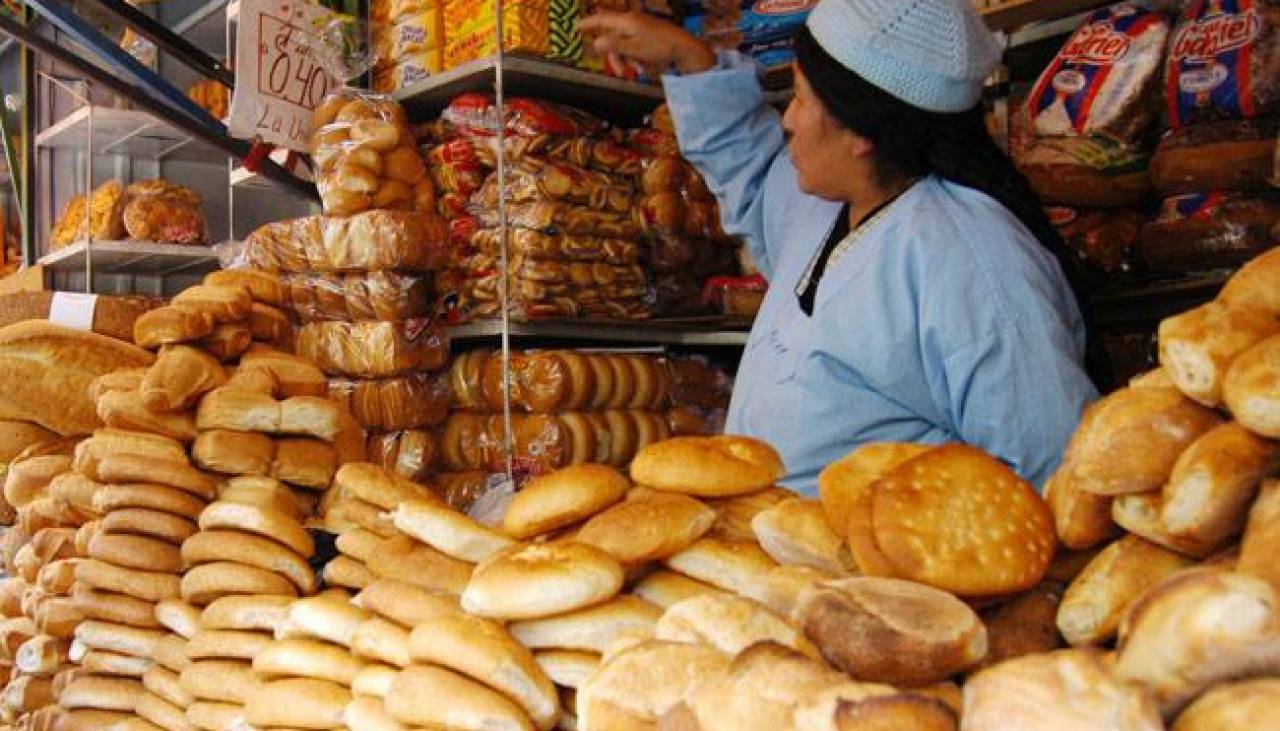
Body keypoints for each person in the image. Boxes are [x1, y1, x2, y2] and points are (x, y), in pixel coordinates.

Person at [580, 0, 1098, 496]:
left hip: (883, 579)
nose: (787, 120)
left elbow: (1046, 469)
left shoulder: (974, 261)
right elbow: (753, 174)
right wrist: (686, 58)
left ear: (860, 132)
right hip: (788, 571)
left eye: (801, 99)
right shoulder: (827, 205)